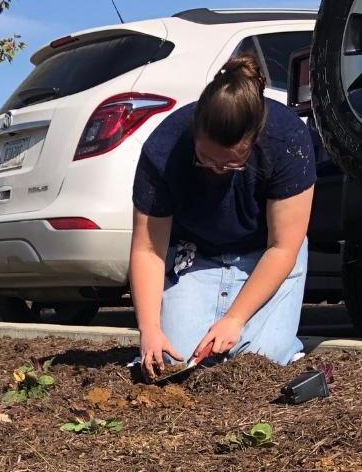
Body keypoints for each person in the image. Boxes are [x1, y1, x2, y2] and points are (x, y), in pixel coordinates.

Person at [130, 55, 316, 376]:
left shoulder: (287, 141)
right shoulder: (164, 148)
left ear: (254, 139)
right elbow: (148, 250)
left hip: (266, 256)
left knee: (261, 361)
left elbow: (283, 246)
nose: (217, 170)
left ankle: (280, 343)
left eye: (231, 164)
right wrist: (149, 329)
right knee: (177, 361)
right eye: (206, 159)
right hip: (196, 255)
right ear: (195, 131)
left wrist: (234, 319)